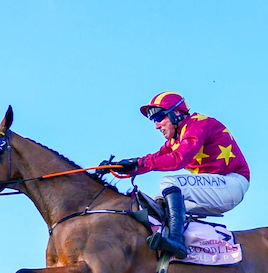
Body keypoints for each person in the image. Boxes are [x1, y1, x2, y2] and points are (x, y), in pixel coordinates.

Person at [106, 92, 250, 259]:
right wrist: (119, 167)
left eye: (159, 117)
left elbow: (178, 159)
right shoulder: (175, 140)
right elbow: (155, 158)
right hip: (214, 189)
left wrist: (140, 163)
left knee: (169, 182)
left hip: (231, 184)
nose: (156, 125)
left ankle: (176, 241)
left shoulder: (198, 124)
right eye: (154, 120)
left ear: (177, 113)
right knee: (147, 203)